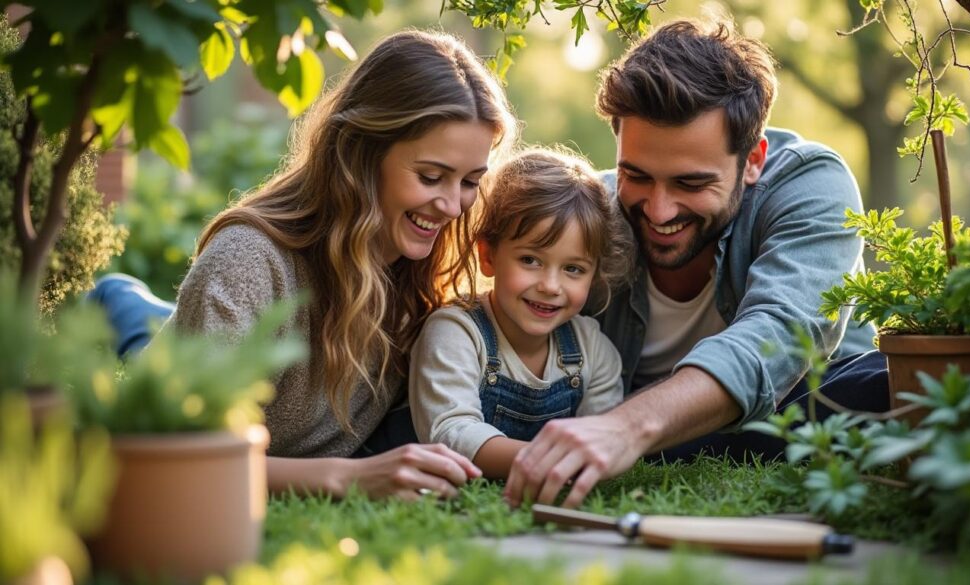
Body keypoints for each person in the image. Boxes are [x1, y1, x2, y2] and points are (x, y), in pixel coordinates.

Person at [92, 30, 519, 501]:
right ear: (360, 154)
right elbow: (189, 456)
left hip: (218, 333)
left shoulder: (425, 265)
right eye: (431, 177)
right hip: (190, 346)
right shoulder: (246, 263)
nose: (453, 206)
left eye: (470, 182)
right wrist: (348, 477)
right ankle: (118, 297)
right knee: (138, 330)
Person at [503, 18, 889, 509]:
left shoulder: (810, 182)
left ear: (753, 160)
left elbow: (780, 334)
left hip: (798, 400)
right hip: (629, 412)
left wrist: (625, 427)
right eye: (636, 175)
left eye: (690, 183)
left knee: (877, 382)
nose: (659, 210)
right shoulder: (592, 210)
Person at [408, 148, 633, 479]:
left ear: (595, 275)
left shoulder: (592, 349)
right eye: (530, 260)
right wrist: (555, 463)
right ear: (488, 256)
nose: (550, 286)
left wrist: (590, 458)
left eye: (573, 268)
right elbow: (452, 433)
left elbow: (602, 439)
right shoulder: (456, 332)